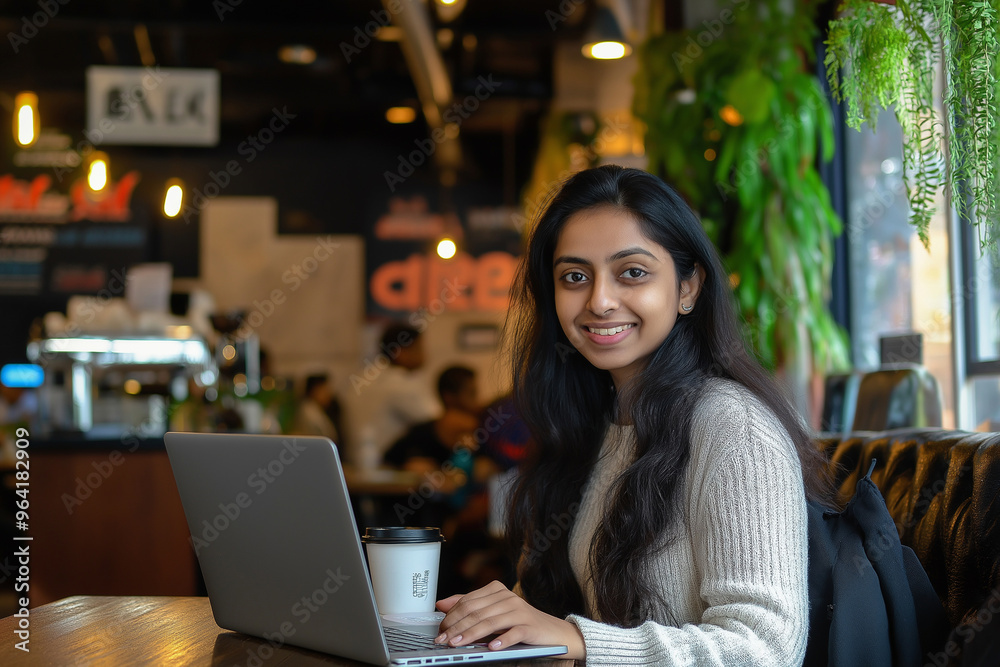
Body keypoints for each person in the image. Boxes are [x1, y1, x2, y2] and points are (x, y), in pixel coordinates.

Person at [432, 165, 833, 665]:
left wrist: (579, 642)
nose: (599, 301)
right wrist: (493, 627)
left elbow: (766, 649)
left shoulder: (735, 430)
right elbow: (553, 615)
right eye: (574, 277)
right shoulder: (585, 424)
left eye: (633, 273)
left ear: (688, 288)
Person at [346, 323, 440, 466]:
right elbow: (437, 419)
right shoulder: (399, 383)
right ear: (399, 352)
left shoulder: (365, 376)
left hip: (353, 464)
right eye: (419, 348)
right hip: (386, 469)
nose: (426, 354)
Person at [291, 374, 339, 441]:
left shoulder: (315, 409)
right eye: (324, 389)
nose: (328, 393)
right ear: (314, 390)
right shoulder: (308, 412)